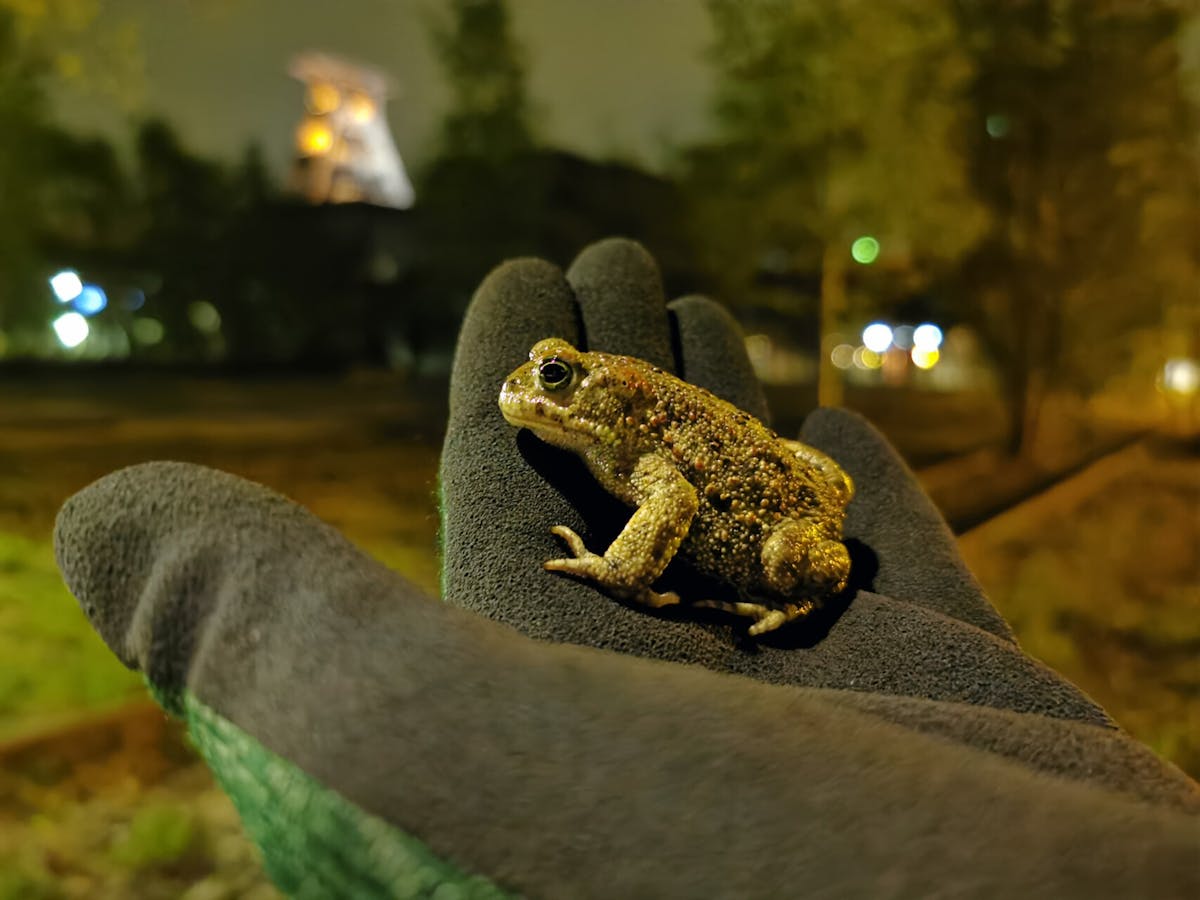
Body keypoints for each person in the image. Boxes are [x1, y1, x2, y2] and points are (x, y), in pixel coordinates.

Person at [55, 239, 1198, 898]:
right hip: (772, 465)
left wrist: (618, 574)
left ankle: (774, 590)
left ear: (596, 389)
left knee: (802, 547)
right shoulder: (612, 421)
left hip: (781, 521)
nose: (531, 396)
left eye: (551, 379)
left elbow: (672, 493)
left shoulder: (636, 429)